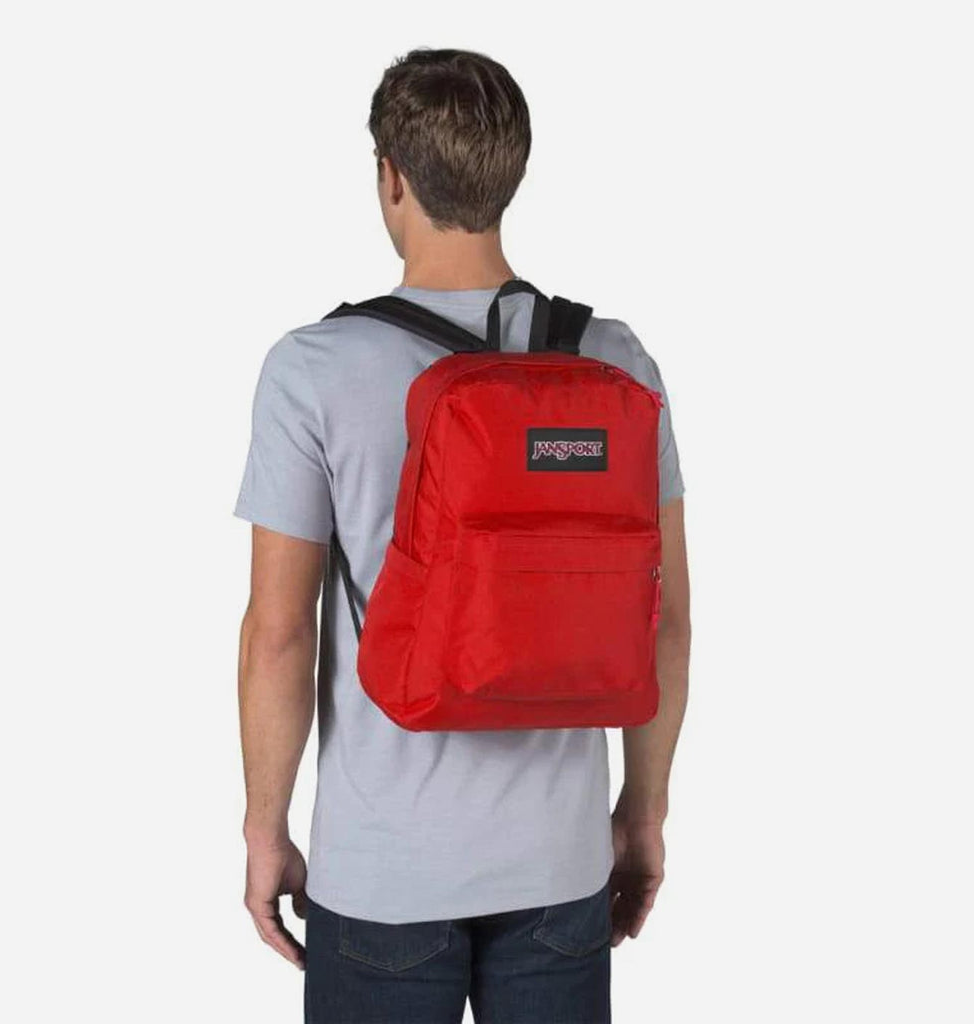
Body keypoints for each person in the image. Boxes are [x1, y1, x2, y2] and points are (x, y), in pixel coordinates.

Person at [235, 47, 691, 1024]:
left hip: (383, 871)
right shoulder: (615, 362)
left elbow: (279, 632)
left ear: (391, 177)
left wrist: (264, 828)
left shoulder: (314, 367)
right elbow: (665, 620)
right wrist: (643, 810)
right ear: (511, 172)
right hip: (559, 865)